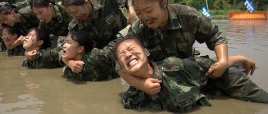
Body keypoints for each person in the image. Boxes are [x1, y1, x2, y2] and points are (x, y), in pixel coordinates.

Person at [113, 0, 268, 103]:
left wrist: (222, 62)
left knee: (243, 88)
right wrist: (143, 85)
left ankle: (236, 63)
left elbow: (215, 35)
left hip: (192, 68)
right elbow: (118, 62)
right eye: (139, 12)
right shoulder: (137, 29)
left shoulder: (188, 16)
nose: (144, 18)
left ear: (164, 3)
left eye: (148, 10)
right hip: (165, 77)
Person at [113, 36, 268, 112]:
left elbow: (211, 65)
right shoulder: (132, 99)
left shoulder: (174, 66)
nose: (127, 54)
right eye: (122, 55)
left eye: (132, 49)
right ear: (122, 68)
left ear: (146, 52)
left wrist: (242, 58)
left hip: (220, 80)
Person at [60, 0, 137, 72]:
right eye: (70, 14)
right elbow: (63, 48)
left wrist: (132, 11)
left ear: (86, 3)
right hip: (107, 55)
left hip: (130, 42)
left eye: (75, 12)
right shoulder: (75, 25)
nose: (74, 16)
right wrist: (69, 62)